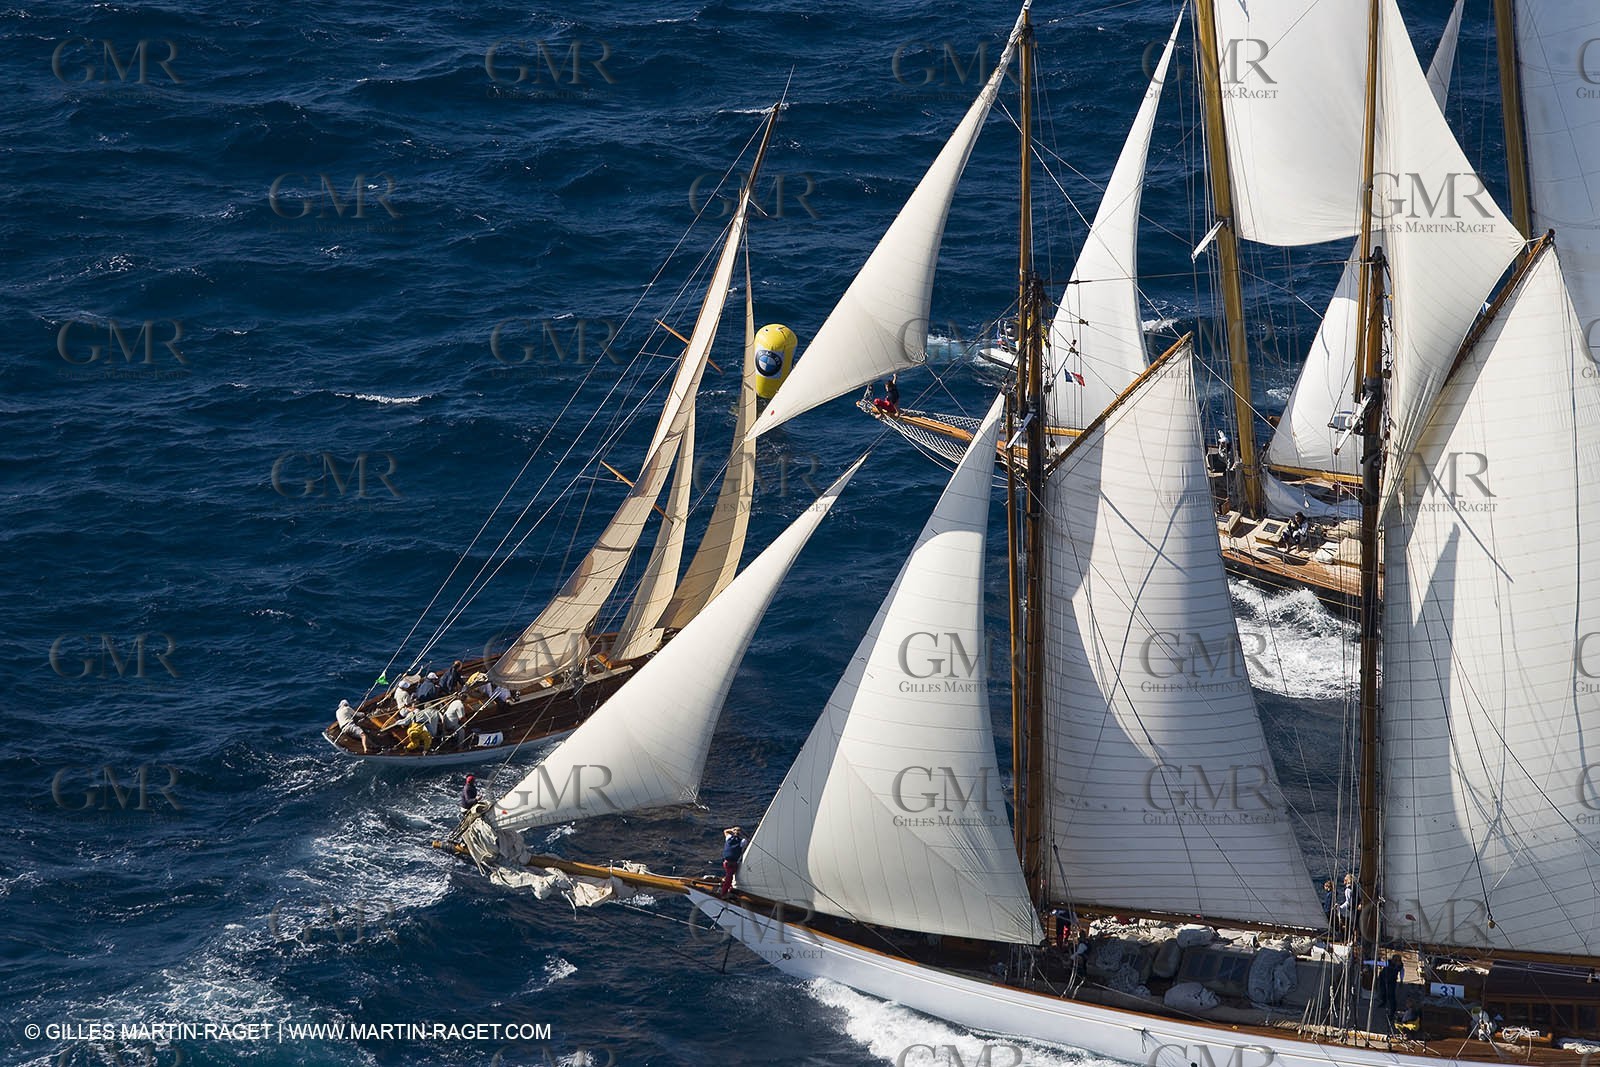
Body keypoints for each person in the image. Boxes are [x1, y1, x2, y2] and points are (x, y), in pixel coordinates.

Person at [719, 826, 746, 897]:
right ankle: (723, 893)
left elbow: (725, 831)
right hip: (732, 864)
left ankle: (730, 888)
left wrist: (732, 830)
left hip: (727, 863)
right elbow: (747, 840)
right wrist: (742, 833)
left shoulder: (729, 838)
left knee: (729, 876)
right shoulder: (742, 841)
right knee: (729, 878)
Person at [1377, 954, 1403, 1027]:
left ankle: (1392, 1011)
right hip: (1383, 979)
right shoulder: (1388, 963)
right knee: (1383, 992)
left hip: (1391, 981)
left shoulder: (1400, 966)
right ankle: (1383, 1002)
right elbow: (1378, 963)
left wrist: (1401, 980)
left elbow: (1402, 972)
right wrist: (1365, 962)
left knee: (1391, 996)